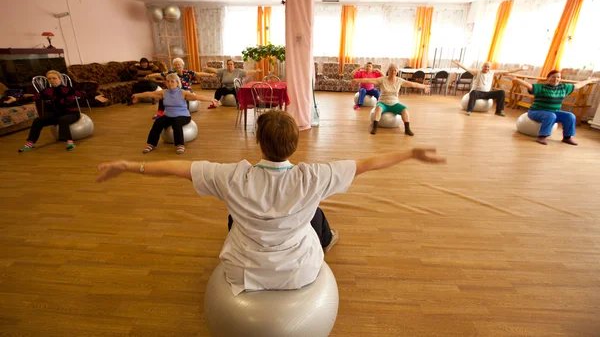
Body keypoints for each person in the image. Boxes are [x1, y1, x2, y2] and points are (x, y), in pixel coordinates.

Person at [96, 110, 446, 295]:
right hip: (300, 270)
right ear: (295, 144)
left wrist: (130, 165)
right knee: (315, 211)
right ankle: (328, 236)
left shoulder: (233, 176)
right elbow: (369, 164)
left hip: (243, 271)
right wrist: (411, 152)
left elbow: (179, 169)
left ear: (259, 143)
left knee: (236, 214)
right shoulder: (313, 177)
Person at [132, 73, 219, 154]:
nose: (170, 83)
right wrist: (137, 95)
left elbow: (197, 97)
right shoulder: (164, 92)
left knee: (176, 123)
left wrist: (211, 100)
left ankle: (180, 145)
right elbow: (150, 94)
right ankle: (152, 144)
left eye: (172, 81)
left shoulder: (183, 93)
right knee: (158, 122)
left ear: (177, 83)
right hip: (168, 115)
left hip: (183, 116)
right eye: (168, 81)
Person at [505, 71, 598, 146]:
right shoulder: (541, 87)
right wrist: (516, 79)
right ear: (547, 78)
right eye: (553, 77)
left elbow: (578, 85)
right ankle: (542, 136)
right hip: (536, 111)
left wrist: (589, 80)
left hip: (554, 112)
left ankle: (567, 137)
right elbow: (529, 85)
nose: (556, 79)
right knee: (550, 115)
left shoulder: (563, 87)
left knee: (570, 116)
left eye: (558, 77)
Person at [352, 63, 430, 135]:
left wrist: (424, 86)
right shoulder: (382, 79)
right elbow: (369, 80)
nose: (393, 72)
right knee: (378, 108)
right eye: (391, 70)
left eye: (395, 70)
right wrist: (356, 80)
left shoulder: (399, 81)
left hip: (394, 103)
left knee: (405, 110)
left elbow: (413, 84)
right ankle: (374, 128)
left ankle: (407, 129)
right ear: (388, 71)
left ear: (397, 72)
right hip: (383, 102)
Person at [18, 70, 82, 152]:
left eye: (54, 78)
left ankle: (69, 142)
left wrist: (95, 97)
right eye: (49, 79)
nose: (52, 80)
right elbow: (34, 97)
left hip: (72, 114)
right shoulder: (47, 91)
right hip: (57, 115)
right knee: (38, 121)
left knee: (62, 119)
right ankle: (30, 143)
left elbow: (82, 95)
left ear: (60, 79)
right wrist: (17, 99)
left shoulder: (68, 89)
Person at [146, 57, 216, 119]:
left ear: (182, 65)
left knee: (185, 96)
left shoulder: (187, 72)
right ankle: (160, 113)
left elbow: (198, 74)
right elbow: (159, 75)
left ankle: (186, 114)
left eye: (179, 64)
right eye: (176, 64)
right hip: (175, 91)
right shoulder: (171, 73)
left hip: (186, 91)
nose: (177, 66)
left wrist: (209, 74)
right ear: (174, 66)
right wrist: (149, 76)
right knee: (163, 96)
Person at [451, 60, 525, 116]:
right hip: (478, 93)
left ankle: (499, 111)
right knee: (473, 92)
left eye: (488, 67)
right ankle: (469, 110)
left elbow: (507, 71)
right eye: (485, 66)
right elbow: (467, 69)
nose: (486, 68)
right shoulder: (477, 72)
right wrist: (459, 64)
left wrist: (520, 69)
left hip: (487, 93)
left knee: (501, 92)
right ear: (482, 67)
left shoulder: (492, 72)